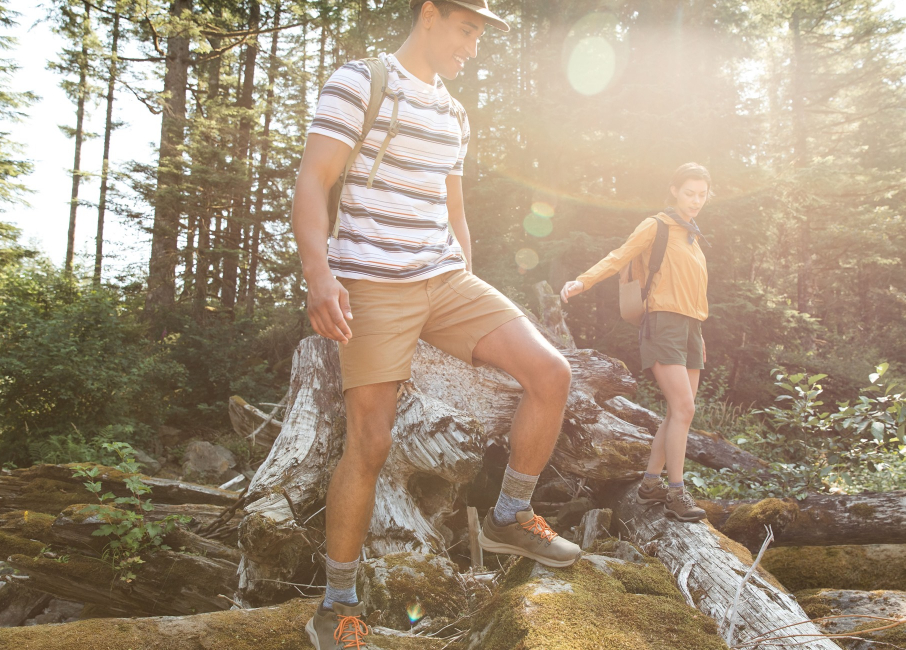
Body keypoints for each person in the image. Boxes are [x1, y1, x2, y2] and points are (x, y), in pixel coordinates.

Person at [292, 1, 581, 647]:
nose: (474, 45)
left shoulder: (454, 112)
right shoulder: (360, 81)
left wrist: (466, 279)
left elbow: (454, 206)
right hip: (371, 283)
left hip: (446, 282)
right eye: (467, 28)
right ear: (429, 13)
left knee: (550, 372)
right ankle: (336, 605)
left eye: (481, 33)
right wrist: (320, 275)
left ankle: (510, 514)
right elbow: (313, 181)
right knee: (370, 441)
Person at [561, 162, 713, 524]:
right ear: (675, 190)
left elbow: (696, 291)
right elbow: (620, 256)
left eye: (702, 195)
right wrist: (584, 281)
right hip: (662, 324)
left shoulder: (693, 237)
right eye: (689, 193)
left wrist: (700, 334)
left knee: (679, 413)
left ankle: (649, 485)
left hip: (691, 329)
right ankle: (675, 494)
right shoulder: (656, 225)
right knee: (684, 409)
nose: (695, 201)